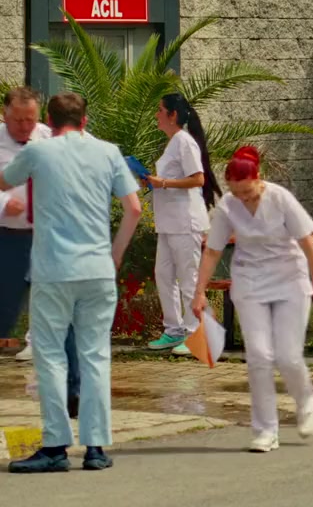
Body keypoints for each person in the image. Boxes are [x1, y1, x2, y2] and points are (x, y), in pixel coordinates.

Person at [1, 92, 143, 473]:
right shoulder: (109, 152)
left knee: (50, 356)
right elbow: (134, 208)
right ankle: (95, 448)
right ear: (85, 120)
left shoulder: (38, 151)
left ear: (48, 120)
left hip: (53, 270)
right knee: (95, 355)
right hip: (97, 269)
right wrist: (115, 255)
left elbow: (4, 182)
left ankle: (55, 446)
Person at [192, 146, 313, 453]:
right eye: (237, 193)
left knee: (288, 357)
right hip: (250, 282)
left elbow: (309, 246)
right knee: (259, 356)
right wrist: (199, 292)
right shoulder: (227, 206)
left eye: (248, 192)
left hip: (290, 280)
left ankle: (305, 402)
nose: (243, 198)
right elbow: (212, 251)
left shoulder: (280, 198)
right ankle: (265, 430)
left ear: (258, 178)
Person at [0, 87, 81, 417]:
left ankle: (74, 392)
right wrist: (4, 204)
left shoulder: (50, 137)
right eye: (18, 120)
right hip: (8, 238)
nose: (24, 127)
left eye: (30, 120)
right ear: (5, 115)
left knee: (63, 312)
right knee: (4, 313)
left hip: (48, 237)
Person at [142, 93, 220, 355]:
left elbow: (198, 179)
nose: (156, 114)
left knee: (189, 279)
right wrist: (153, 181)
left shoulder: (185, 142)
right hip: (168, 223)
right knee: (163, 275)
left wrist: (163, 182)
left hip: (185, 222)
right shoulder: (173, 142)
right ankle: (173, 329)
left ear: (172, 115)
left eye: (160, 110)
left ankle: (196, 333)